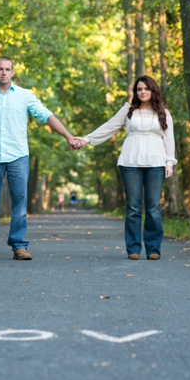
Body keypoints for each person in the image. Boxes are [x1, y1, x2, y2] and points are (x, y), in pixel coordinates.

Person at [0, 57, 78, 261]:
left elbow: (46, 116)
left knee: (20, 203)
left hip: (18, 156)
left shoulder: (24, 96)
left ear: (12, 72)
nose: (3, 72)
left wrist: (68, 136)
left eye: (7, 69)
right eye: (0, 69)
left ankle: (19, 246)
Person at [72, 76, 176, 261]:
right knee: (133, 208)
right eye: (139, 89)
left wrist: (169, 162)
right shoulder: (129, 110)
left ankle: (153, 249)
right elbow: (109, 127)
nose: (142, 92)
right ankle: (133, 249)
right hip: (130, 162)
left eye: (146, 89)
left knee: (153, 208)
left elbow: (169, 138)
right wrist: (87, 139)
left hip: (156, 163)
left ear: (153, 91)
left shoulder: (164, 113)